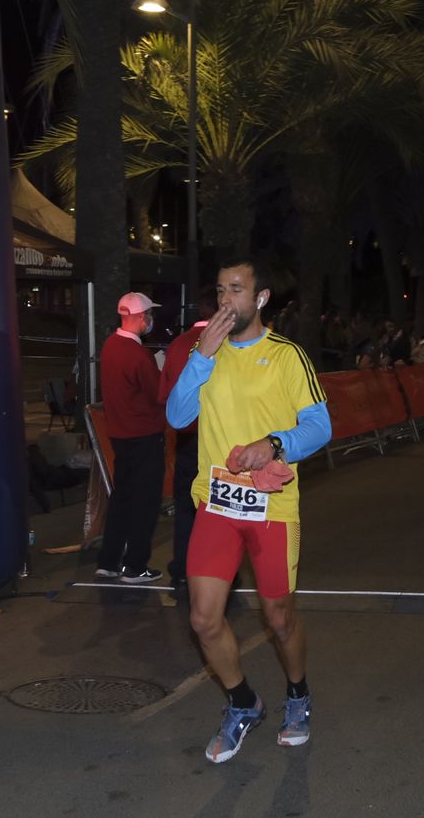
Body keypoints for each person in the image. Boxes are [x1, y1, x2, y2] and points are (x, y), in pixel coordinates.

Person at [166, 257, 331, 764]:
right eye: (220, 290)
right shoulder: (205, 352)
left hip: (272, 508)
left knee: (279, 619)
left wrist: (275, 444)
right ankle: (243, 703)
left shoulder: (286, 356)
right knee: (202, 619)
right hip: (216, 503)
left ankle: (298, 693)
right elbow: (177, 415)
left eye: (236, 289)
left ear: (260, 298)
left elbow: (320, 426)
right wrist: (202, 356)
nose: (225, 300)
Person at [97, 292, 168, 583]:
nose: (151, 320)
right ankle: (136, 565)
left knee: (121, 498)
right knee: (146, 503)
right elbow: (158, 395)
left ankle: (109, 561)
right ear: (140, 317)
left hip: (119, 434)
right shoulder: (139, 355)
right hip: (145, 435)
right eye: (149, 315)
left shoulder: (110, 346)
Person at [158, 290, 219, 590]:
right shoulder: (229, 345)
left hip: (188, 440)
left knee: (185, 507)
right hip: (218, 439)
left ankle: (183, 568)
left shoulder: (178, 344)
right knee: (218, 509)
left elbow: (164, 394)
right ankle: (218, 572)